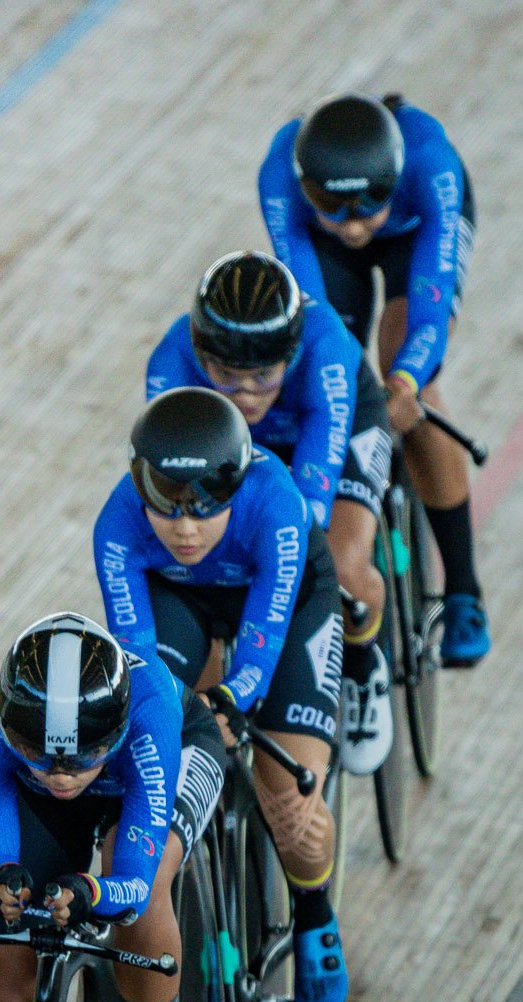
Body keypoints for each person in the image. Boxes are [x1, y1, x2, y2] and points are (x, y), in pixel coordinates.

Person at [94, 387, 349, 1002]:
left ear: (236, 487)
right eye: (166, 509)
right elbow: (136, 654)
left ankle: (315, 912)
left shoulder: (278, 505)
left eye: (203, 511)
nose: (183, 527)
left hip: (284, 607)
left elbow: (263, 637)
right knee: (156, 728)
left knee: (289, 801)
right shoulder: (117, 524)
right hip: (183, 603)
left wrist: (235, 698)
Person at [0, 612, 225, 1002]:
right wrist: (5, 885)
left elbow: (128, 883)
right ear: (13, 727)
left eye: (79, 756)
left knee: (146, 891)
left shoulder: (147, 715)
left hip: (162, 758)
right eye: (42, 755)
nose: (61, 774)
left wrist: (87, 890)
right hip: (78, 777)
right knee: (8, 990)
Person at [259, 90, 489, 666]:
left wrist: (407, 382)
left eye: (367, 207)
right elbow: (311, 313)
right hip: (324, 259)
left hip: (417, 237)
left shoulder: (432, 167)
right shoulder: (280, 176)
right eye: (332, 206)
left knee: (408, 367)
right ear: (307, 187)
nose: (354, 226)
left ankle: (463, 589)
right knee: (326, 367)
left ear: (393, 179)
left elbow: (432, 308)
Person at [146, 250, 395, 773]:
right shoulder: (171, 363)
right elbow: (172, 475)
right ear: (199, 353)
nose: (247, 394)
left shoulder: (323, 347)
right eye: (226, 375)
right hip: (225, 448)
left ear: (292, 354)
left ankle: (362, 661)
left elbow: (307, 511)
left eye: (264, 375)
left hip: (326, 429)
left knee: (339, 564)